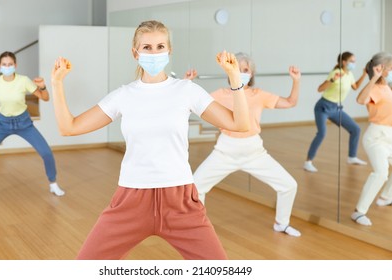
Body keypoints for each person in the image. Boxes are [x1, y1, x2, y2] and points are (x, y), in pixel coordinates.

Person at [50, 20, 250, 260]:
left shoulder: (187, 90)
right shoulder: (124, 95)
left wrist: (235, 78)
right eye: (147, 47)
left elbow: (240, 124)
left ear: (169, 50)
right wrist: (57, 83)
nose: (154, 52)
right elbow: (69, 127)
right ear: (135, 53)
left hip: (180, 200)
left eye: (160, 46)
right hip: (131, 199)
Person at [193, 52, 302, 237]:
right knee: (195, 187)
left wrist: (296, 80)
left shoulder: (259, 95)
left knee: (289, 185)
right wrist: (188, 83)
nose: (242, 72)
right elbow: (193, 103)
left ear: (251, 74)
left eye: (245, 69)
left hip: (255, 152)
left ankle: (281, 224)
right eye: (238, 68)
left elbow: (290, 102)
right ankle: (198, 226)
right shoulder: (220, 95)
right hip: (225, 152)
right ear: (230, 71)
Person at [0, 51, 65, 203]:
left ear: (15, 65)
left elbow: (45, 98)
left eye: (10, 64)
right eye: (4, 64)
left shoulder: (23, 80)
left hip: (23, 123)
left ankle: (53, 184)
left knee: (46, 152)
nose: (7, 67)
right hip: (2, 124)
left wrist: (43, 86)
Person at [304, 52, 367, 172]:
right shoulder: (336, 73)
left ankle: (352, 157)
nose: (354, 64)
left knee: (355, 129)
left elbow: (355, 87)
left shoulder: (350, 75)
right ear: (344, 62)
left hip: (335, 108)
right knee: (322, 133)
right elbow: (320, 89)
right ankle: (308, 162)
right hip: (323, 107)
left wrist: (364, 74)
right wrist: (333, 79)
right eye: (352, 61)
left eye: (354, 61)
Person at [351, 52, 392, 226]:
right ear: (381, 70)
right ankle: (359, 212)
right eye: (390, 68)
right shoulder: (374, 88)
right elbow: (360, 99)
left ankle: (386, 196)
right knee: (381, 173)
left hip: (389, 134)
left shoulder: (387, 87)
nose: (391, 70)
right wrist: (373, 78)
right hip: (376, 137)